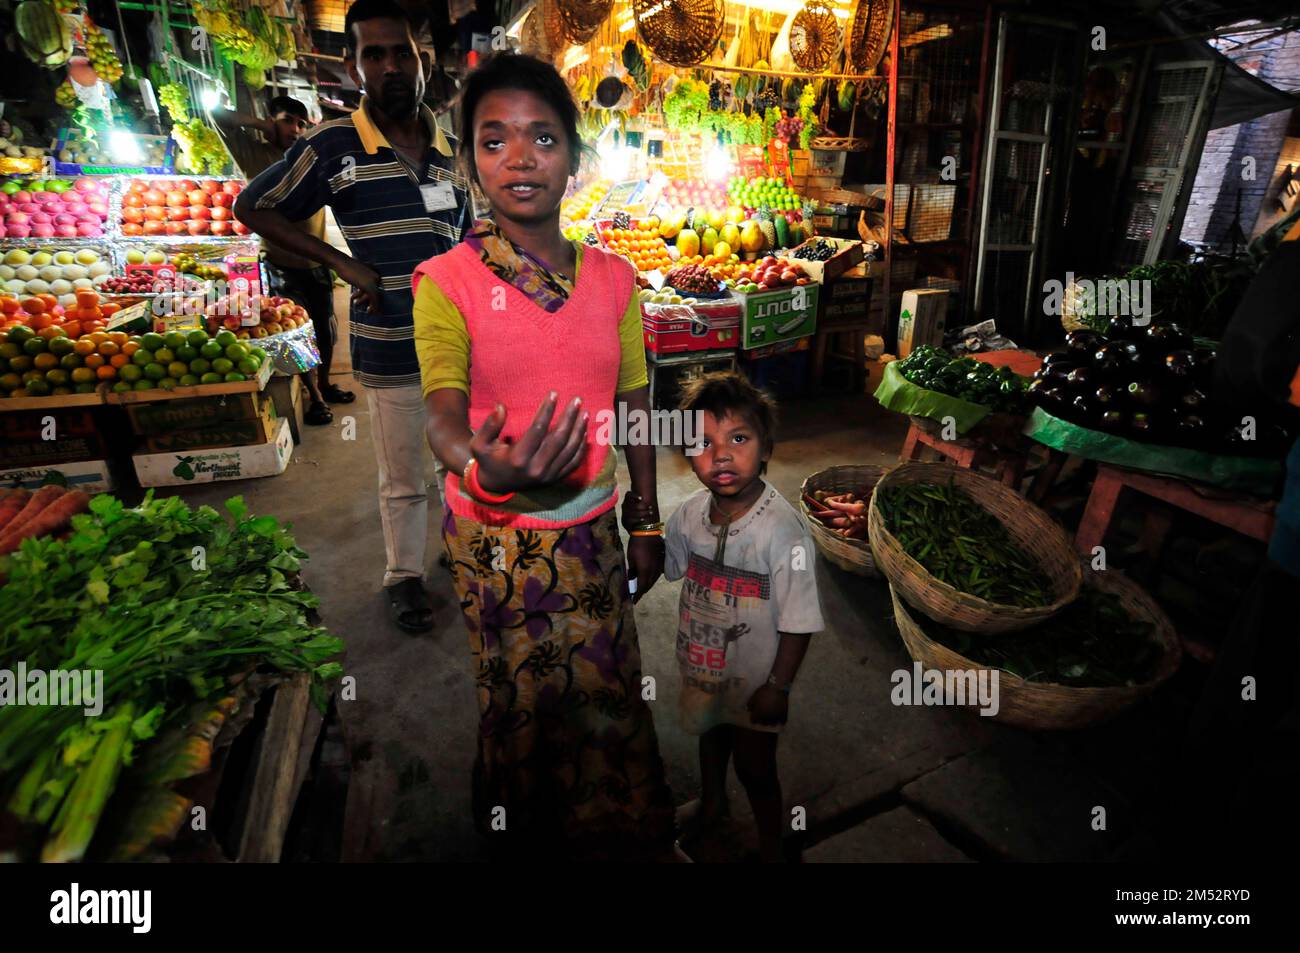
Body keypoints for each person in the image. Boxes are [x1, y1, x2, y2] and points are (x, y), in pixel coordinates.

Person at [412, 53, 675, 857]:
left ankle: (617, 830)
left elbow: (636, 401)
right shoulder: (446, 281)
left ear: (575, 156)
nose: (520, 159)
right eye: (494, 142)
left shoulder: (616, 280)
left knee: (607, 691)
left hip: (594, 533)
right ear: (468, 161)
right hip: (497, 545)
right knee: (522, 704)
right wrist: (481, 466)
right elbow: (442, 413)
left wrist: (646, 511)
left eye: (543, 137)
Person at [234, 0, 470, 632]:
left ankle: (457, 547)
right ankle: (403, 577)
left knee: (461, 460)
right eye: (376, 54)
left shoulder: (452, 143)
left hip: (463, 348)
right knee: (402, 475)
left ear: (422, 58)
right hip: (391, 340)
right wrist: (342, 263)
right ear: (354, 65)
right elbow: (254, 206)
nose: (392, 66)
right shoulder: (335, 143)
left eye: (403, 52)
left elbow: (470, 235)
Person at [662, 372, 823, 863]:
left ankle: (772, 844)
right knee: (710, 739)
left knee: (756, 767)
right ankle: (712, 804)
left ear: (766, 446)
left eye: (738, 438)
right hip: (703, 667)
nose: (721, 455)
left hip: (757, 683)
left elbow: (798, 619)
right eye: (703, 444)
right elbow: (663, 570)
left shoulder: (783, 532)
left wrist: (780, 686)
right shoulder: (687, 517)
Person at [214, 94, 348, 426]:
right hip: (280, 261)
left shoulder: (310, 156)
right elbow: (217, 114)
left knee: (325, 329)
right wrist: (264, 125)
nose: (296, 129)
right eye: (289, 120)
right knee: (294, 331)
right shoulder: (256, 154)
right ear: (273, 121)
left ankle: (324, 383)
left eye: (302, 124)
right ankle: (314, 397)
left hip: (317, 258)